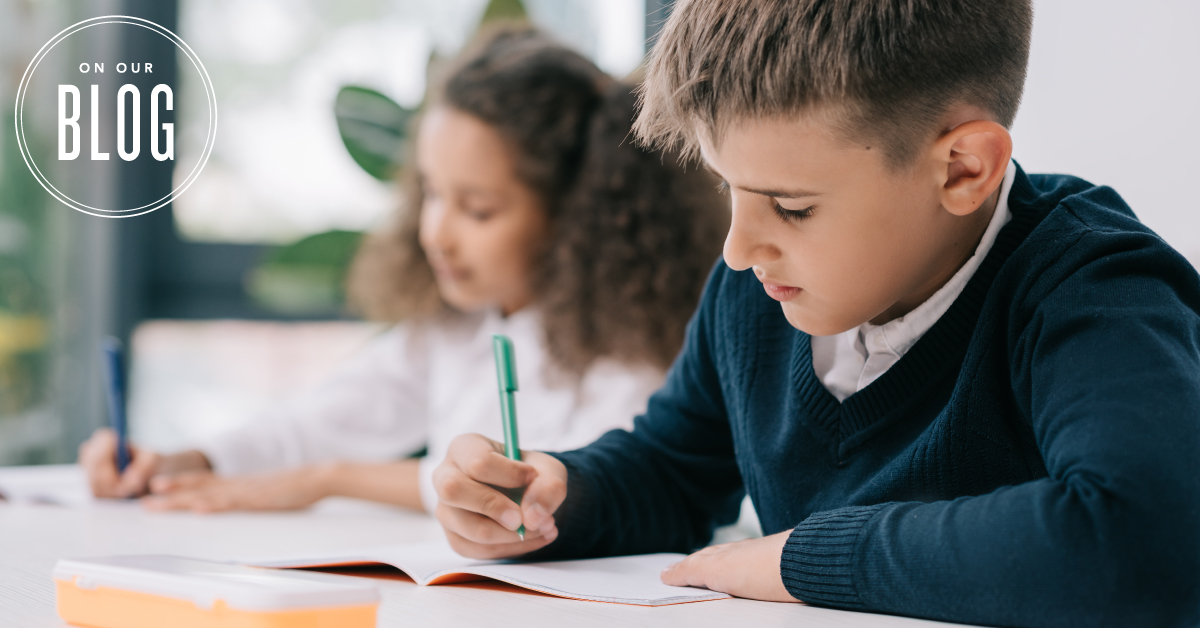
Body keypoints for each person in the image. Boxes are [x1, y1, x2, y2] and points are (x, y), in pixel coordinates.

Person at [428, 2, 1200, 626]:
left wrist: (805, 557)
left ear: (963, 168)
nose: (736, 248)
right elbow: (673, 469)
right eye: (729, 187)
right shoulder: (761, 282)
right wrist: (560, 494)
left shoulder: (1095, 285)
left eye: (791, 207)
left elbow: (1144, 537)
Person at [77, 27, 729, 515]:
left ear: (577, 217)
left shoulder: (634, 351)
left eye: (476, 209)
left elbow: (549, 485)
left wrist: (326, 480)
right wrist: (187, 462)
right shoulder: (453, 327)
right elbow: (324, 418)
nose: (435, 232)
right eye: (432, 195)